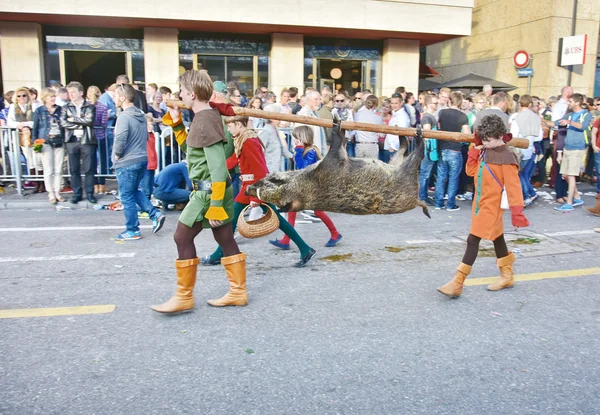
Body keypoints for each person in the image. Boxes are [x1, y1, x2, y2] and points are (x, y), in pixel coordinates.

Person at [152, 70, 244, 314]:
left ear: (192, 94)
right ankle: (238, 292)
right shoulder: (208, 116)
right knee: (224, 239)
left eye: (182, 91)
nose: (179, 95)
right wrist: (178, 122)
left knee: (182, 237)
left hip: (207, 192)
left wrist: (214, 204)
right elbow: (192, 150)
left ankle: (184, 297)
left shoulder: (205, 119)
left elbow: (216, 165)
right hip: (213, 190)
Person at [201, 114, 317, 268]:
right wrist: (214, 169)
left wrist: (256, 196)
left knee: (235, 220)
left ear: (239, 125)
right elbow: (235, 160)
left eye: (230, 126)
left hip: (255, 187)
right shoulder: (244, 139)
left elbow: (260, 170)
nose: (228, 130)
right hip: (252, 186)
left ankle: (218, 254)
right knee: (276, 221)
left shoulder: (249, 141)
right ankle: (305, 249)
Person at [437, 114, 529, 299]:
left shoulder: (507, 156)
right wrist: (475, 149)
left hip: (492, 207)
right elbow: (471, 171)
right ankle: (507, 275)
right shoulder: (484, 149)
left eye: (489, 140)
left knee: (473, 240)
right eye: (483, 139)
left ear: (500, 135)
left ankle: (458, 282)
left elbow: (514, 188)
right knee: (497, 239)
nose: (485, 143)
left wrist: (517, 213)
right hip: (479, 204)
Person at [270, 125, 342, 249]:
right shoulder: (307, 150)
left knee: (316, 212)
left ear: (302, 138)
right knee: (295, 211)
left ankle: (335, 234)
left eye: (295, 139)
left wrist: (298, 150)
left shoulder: (310, 152)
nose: (293, 141)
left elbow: (303, 167)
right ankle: (286, 240)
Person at [111, 83, 165, 240]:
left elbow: (120, 138)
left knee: (126, 195)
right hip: (142, 158)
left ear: (123, 98)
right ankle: (155, 214)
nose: (114, 98)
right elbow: (146, 136)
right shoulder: (141, 115)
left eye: (115, 95)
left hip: (127, 161)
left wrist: (117, 155)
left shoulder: (124, 116)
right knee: (135, 191)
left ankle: (132, 230)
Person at [548, 93, 591, 211]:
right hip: (568, 147)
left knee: (571, 175)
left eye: (570, 101)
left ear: (577, 102)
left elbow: (584, 126)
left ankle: (570, 203)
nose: (568, 103)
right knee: (565, 175)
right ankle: (577, 197)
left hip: (577, 148)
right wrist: (541, 120)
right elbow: (555, 123)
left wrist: (569, 123)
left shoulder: (586, 114)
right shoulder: (569, 115)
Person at [60, 81, 97, 204]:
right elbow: (63, 122)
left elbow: (89, 120)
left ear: (81, 93)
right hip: (72, 140)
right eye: (69, 92)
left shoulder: (90, 106)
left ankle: (90, 193)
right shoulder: (65, 107)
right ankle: (77, 193)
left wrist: (73, 119)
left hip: (86, 140)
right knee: (74, 169)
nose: (71, 95)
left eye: (73, 92)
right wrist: (80, 121)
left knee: (89, 168)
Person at [435, 91, 470, 211]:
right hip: (455, 149)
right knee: (453, 178)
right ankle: (450, 204)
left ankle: (438, 203)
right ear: (460, 102)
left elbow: (439, 127)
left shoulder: (442, 112)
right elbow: (467, 135)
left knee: (440, 176)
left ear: (449, 100)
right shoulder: (463, 116)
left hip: (442, 147)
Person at [32, 87, 65, 204]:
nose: (53, 98)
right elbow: (35, 129)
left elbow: (64, 124)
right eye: (51, 96)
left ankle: (57, 192)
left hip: (59, 141)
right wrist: (35, 144)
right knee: (48, 169)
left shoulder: (60, 110)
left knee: (58, 169)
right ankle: (50, 192)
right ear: (44, 98)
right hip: (45, 141)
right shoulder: (39, 111)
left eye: (54, 96)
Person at [511, 95, 542, 206]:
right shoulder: (536, 118)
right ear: (530, 105)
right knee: (523, 173)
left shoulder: (517, 117)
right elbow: (539, 137)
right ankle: (531, 193)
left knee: (518, 174)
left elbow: (513, 135)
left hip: (519, 148)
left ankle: (526, 196)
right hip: (530, 147)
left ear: (519, 104)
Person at [87, 86, 109, 196]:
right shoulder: (103, 107)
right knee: (102, 161)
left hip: (89, 136)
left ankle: (95, 185)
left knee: (92, 161)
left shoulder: (86, 107)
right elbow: (104, 123)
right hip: (101, 136)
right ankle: (102, 184)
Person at [419, 94, 439, 206]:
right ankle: (422, 196)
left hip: (430, 150)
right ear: (428, 104)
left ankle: (423, 195)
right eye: (435, 103)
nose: (436, 105)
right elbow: (427, 135)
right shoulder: (427, 117)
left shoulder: (429, 116)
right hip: (429, 151)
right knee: (425, 174)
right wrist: (429, 150)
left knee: (426, 174)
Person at [261, 103, 293, 173]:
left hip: (276, 169)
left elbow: (281, 148)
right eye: (278, 114)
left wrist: (292, 156)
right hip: (268, 170)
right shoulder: (265, 132)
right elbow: (260, 151)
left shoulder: (276, 130)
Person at [294, 91, 328, 156]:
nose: (318, 102)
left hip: (317, 152)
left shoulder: (316, 114)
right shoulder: (303, 114)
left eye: (320, 99)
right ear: (309, 100)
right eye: (316, 99)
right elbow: (298, 136)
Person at [354, 95, 383, 159]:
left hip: (360, 144)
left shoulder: (357, 115)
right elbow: (382, 134)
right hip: (372, 145)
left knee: (359, 167)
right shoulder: (378, 118)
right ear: (376, 105)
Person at [384, 94, 410, 162]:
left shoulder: (402, 116)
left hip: (395, 149)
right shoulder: (395, 114)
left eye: (396, 103)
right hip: (390, 147)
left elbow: (402, 133)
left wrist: (393, 146)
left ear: (401, 103)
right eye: (392, 103)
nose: (393, 105)